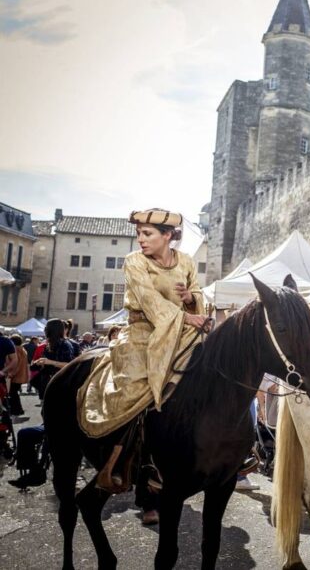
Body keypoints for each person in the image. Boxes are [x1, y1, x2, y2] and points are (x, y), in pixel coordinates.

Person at [79, 209, 207, 499]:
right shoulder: (134, 262)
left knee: (215, 367)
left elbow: (197, 293)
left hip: (179, 331)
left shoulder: (185, 261)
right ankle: (123, 459)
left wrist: (191, 299)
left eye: (147, 234)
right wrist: (186, 318)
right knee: (136, 386)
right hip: (141, 333)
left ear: (168, 236)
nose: (140, 240)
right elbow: (148, 300)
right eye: (138, 233)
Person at [7, 334, 29, 415]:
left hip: (15, 375)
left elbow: (16, 364)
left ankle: (16, 410)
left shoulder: (16, 350)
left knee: (12, 393)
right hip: (20, 375)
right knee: (14, 393)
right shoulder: (22, 349)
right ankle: (18, 410)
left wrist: (11, 374)